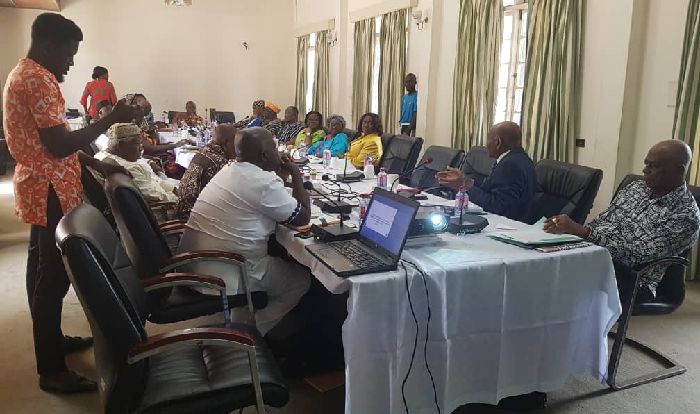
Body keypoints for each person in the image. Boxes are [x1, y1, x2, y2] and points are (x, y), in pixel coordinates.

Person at [3, 12, 134, 393]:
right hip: (50, 188)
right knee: (54, 277)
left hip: (42, 183)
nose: (71, 63)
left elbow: (51, 140)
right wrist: (111, 119)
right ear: (48, 46)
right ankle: (51, 369)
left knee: (39, 268)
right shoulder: (38, 79)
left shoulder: (25, 73)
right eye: (69, 54)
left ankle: (53, 340)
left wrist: (95, 163)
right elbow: (59, 145)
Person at [177, 127, 311, 335]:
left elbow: (264, 196)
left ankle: (245, 320)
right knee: (300, 280)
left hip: (197, 262)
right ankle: (252, 332)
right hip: (227, 270)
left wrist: (280, 177)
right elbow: (302, 218)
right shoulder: (262, 182)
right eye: (275, 148)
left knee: (278, 252)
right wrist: (296, 174)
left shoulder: (230, 168)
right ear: (264, 155)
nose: (279, 153)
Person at [544, 140, 700, 305]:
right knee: (539, 260)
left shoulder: (685, 215)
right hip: (594, 256)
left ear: (679, 170)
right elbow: (601, 222)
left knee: (554, 279)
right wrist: (570, 237)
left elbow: (634, 256)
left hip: (631, 278)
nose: (645, 170)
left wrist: (582, 232)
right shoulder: (636, 188)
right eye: (646, 164)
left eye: (653, 166)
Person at [436, 121, 537, 222]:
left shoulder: (509, 165)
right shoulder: (522, 159)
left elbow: (499, 206)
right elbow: (494, 187)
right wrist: (467, 181)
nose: (486, 145)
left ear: (498, 142)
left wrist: (464, 187)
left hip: (505, 225)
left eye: (488, 140)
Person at [96, 123, 178, 202]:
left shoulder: (103, 155)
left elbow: (153, 181)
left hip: (161, 186)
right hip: (166, 205)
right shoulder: (128, 168)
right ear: (121, 145)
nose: (141, 148)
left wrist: (173, 188)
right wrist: (178, 197)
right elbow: (155, 196)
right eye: (138, 143)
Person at [174, 124, 237, 219]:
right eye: (236, 143)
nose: (237, 148)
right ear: (225, 142)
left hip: (182, 209)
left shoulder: (204, 150)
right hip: (192, 218)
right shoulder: (219, 163)